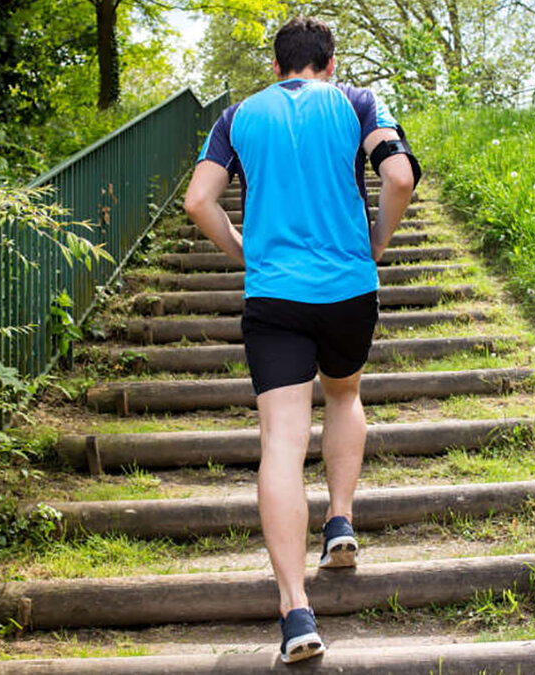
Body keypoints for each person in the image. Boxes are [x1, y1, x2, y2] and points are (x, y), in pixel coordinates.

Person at [183, 16, 421, 664]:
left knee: (281, 443)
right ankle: (339, 519)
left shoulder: (237, 117)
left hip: (274, 295)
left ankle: (295, 611)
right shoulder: (358, 102)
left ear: (279, 64)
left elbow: (199, 199)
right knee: (344, 396)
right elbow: (398, 177)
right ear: (330, 62)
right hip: (347, 288)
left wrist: (241, 250)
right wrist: (378, 240)